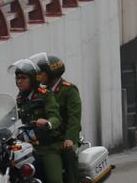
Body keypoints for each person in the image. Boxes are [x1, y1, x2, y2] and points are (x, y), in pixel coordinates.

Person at [7, 57, 62, 183]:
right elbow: (12, 115)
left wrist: (47, 123)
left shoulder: (45, 94)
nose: (19, 81)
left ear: (32, 79)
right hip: (28, 145)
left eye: (23, 78)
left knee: (54, 179)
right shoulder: (20, 97)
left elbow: (56, 117)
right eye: (17, 78)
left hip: (47, 146)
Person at [34, 54, 82, 183]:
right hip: (48, 138)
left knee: (68, 152)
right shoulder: (41, 92)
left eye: (41, 73)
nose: (38, 76)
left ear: (51, 73)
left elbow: (74, 117)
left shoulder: (69, 90)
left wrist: (70, 139)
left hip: (64, 137)